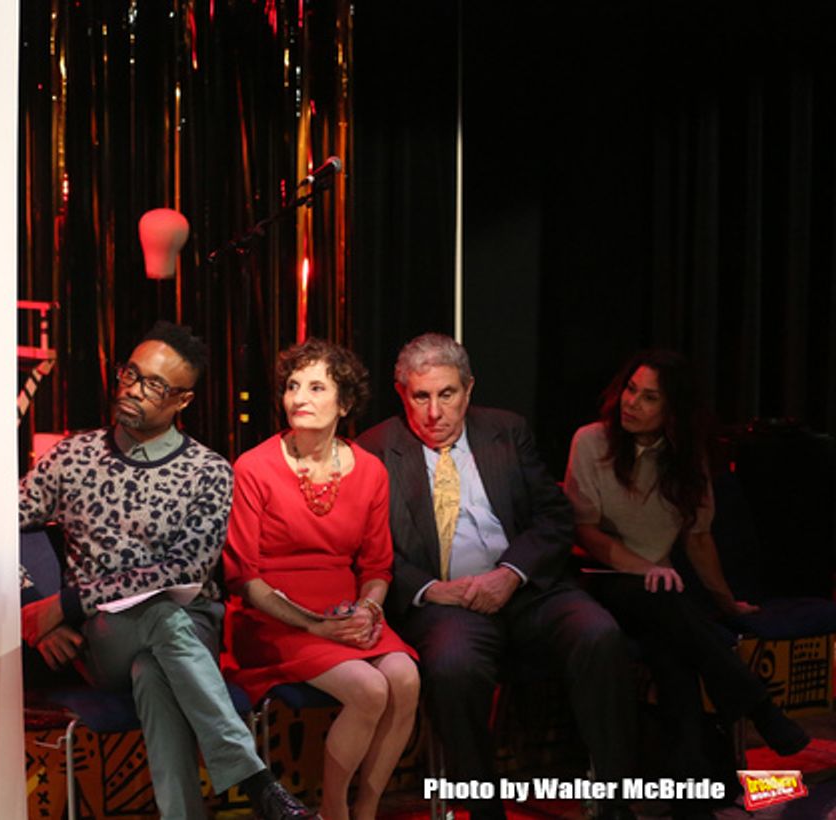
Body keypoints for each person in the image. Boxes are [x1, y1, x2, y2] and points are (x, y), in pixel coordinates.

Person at [18, 321, 315, 820]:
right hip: (104, 637)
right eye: (131, 375)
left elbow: (182, 571)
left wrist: (66, 602)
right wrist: (36, 609)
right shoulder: (73, 456)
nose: (133, 390)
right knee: (159, 623)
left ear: (183, 401)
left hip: (188, 629)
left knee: (154, 666)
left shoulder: (208, 472)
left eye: (154, 385)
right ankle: (255, 779)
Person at [357, 332, 637, 820]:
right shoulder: (376, 449)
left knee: (599, 633)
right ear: (402, 394)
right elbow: (369, 548)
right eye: (420, 397)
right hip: (447, 600)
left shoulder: (506, 430)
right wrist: (429, 589)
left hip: (524, 588)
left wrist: (511, 574)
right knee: (453, 666)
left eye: (447, 395)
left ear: (468, 389)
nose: (434, 413)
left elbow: (554, 518)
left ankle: (616, 801)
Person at [563, 350, 809, 799]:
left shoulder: (687, 458)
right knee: (660, 603)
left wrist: (726, 603)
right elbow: (586, 532)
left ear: (673, 410)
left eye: (649, 397)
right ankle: (758, 705)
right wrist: (644, 567)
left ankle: (689, 789)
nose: (631, 403)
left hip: (660, 590)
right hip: (602, 579)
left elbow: (698, 539)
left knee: (672, 652)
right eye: (630, 389)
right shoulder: (590, 442)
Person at [224, 339, 420, 820]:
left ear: (345, 403)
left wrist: (369, 608)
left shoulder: (370, 471)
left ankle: (367, 808)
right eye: (293, 386)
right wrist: (313, 625)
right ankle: (334, 811)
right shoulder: (253, 468)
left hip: (345, 612)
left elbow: (376, 567)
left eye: (316, 387)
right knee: (370, 689)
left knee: (405, 677)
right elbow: (241, 575)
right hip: (273, 617)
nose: (299, 398)